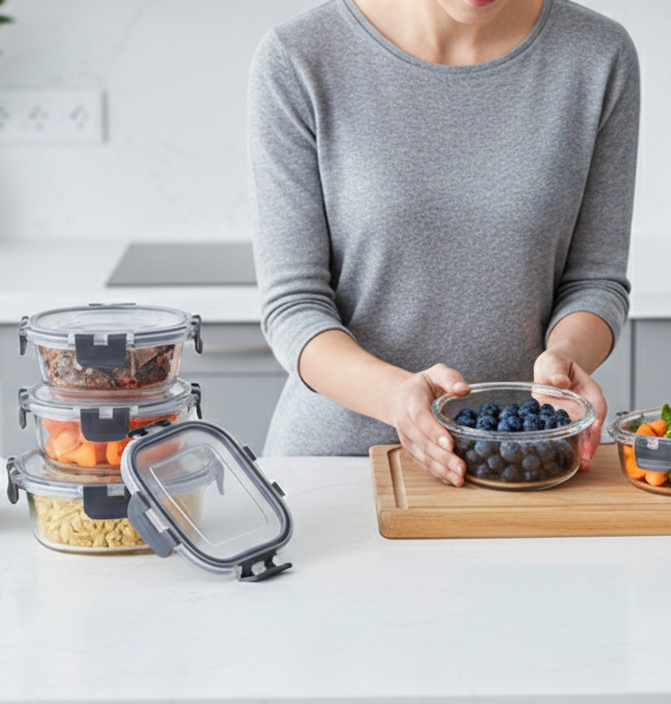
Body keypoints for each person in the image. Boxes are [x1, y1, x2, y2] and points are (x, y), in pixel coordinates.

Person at [248, 0, 639, 485]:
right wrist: (398, 397)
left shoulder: (597, 55)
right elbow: (294, 306)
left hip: (525, 464)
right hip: (340, 471)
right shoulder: (300, 56)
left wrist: (565, 362)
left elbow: (594, 281)